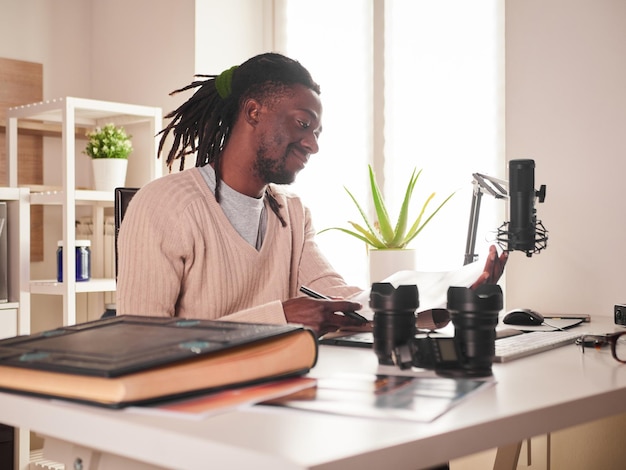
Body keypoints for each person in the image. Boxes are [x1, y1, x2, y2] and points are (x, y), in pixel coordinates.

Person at [117, 52, 506, 336]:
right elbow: (143, 341)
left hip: (276, 404)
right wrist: (280, 316)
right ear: (253, 112)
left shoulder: (292, 215)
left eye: (317, 133)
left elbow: (346, 303)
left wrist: (446, 302)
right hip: (190, 421)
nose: (312, 145)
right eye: (303, 124)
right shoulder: (165, 206)